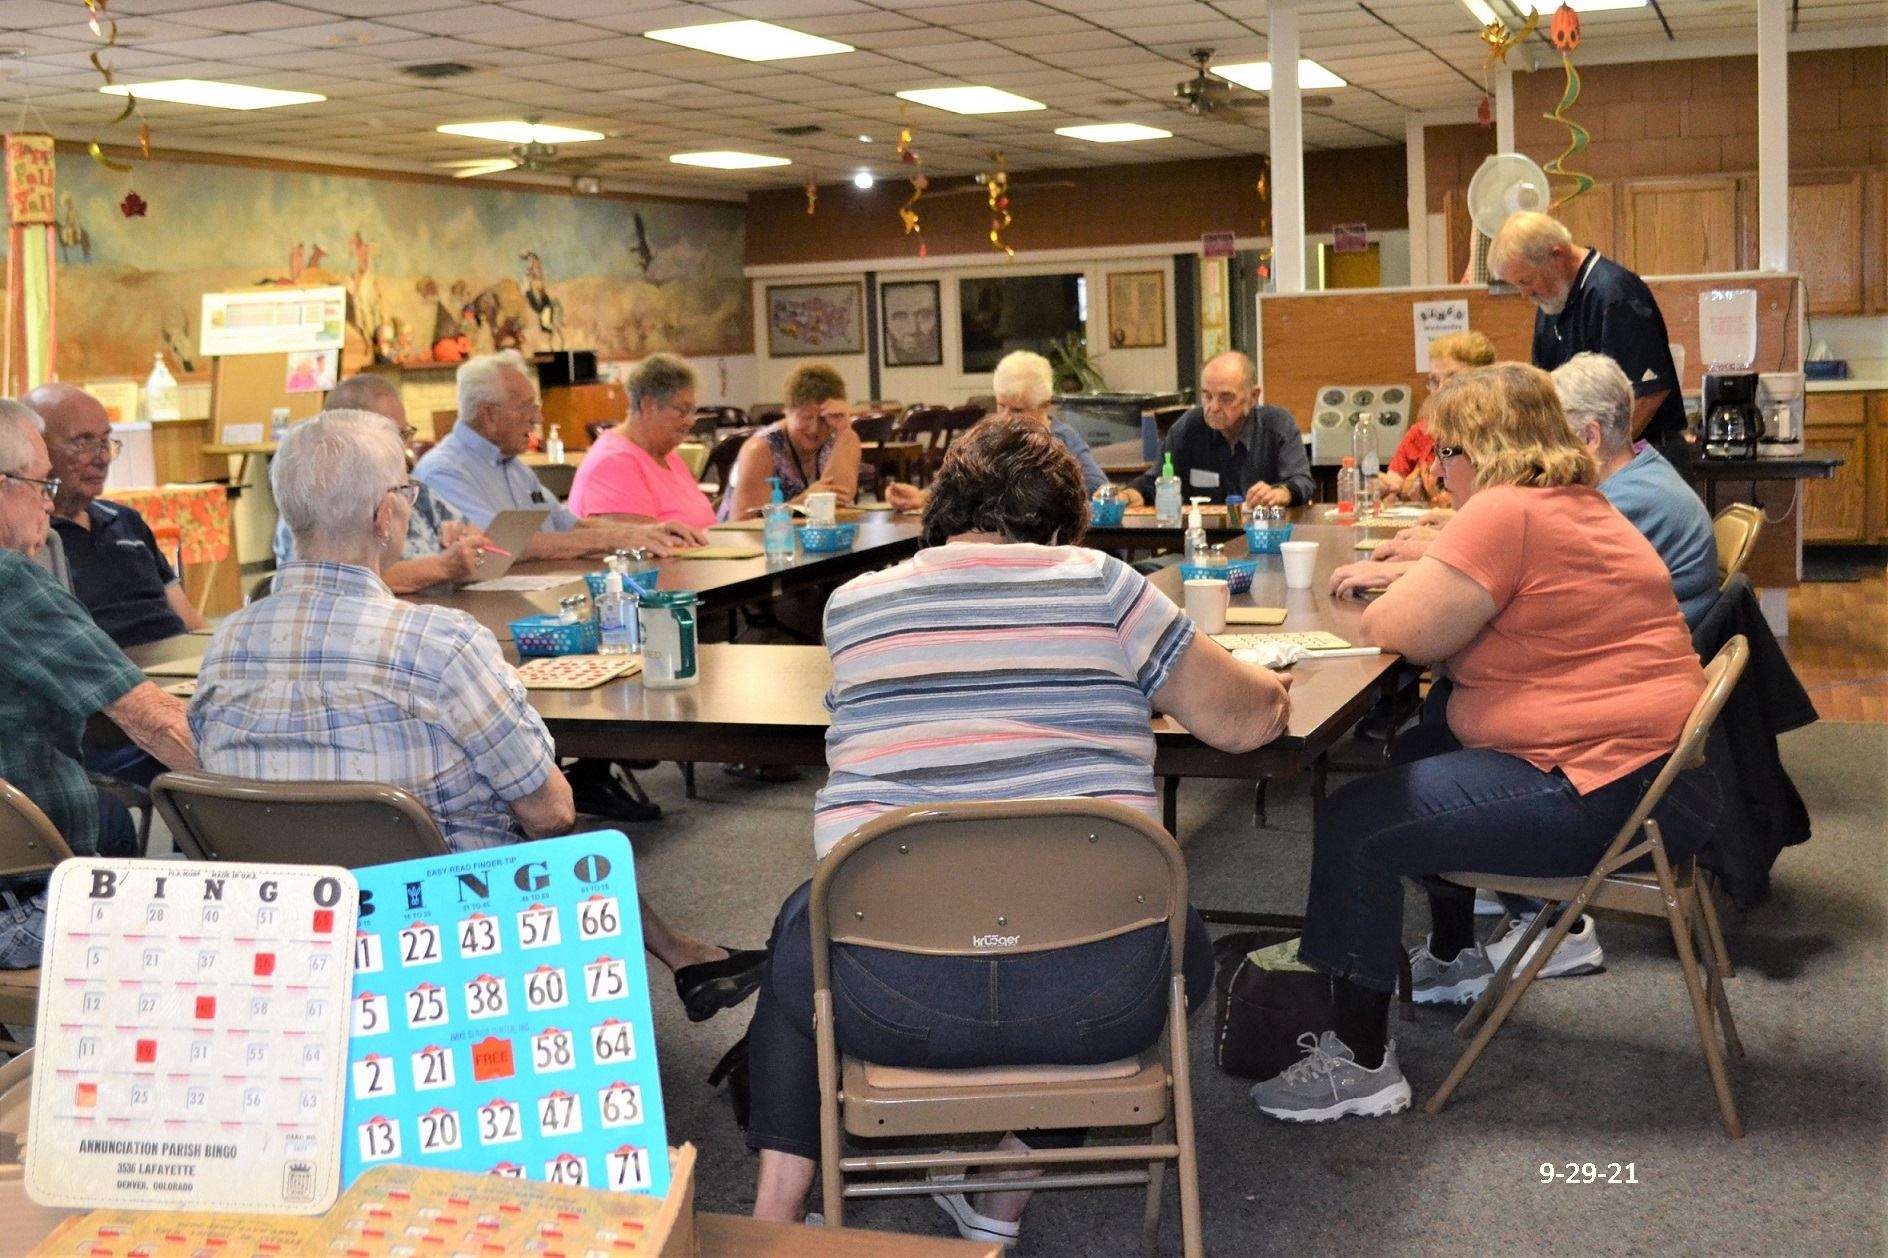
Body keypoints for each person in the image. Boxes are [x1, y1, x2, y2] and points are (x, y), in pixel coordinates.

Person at [747, 417, 1294, 1240]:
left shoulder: (853, 605)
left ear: (945, 507)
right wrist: (1268, 687)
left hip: (887, 994)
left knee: (806, 930)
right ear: (1065, 519)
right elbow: (1245, 723)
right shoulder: (1108, 587)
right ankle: (1003, 1196)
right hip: (1101, 996)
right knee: (1155, 921)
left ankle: (772, 1226)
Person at [1250, 364, 1724, 1123]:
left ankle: (1362, 1064)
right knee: (1420, 749)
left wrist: (1409, 577)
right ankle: (1452, 957)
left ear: (1484, 449)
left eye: (1446, 454)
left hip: (1603, 791)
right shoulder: (1570, 501)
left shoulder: (1507, 511)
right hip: (1656, 778)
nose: (1439, 472)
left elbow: (1394, 630)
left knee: (1357, 823)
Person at [192, 411, 763, 1018]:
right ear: (383, 517)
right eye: (406, 494)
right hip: (448, 939)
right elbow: (550, 812)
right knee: (572, 834)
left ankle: (688, 958)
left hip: (289, 933)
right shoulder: (440, 644)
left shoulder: (224, 646)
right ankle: (683, 961)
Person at [0, 399, 199, 968]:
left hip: (29, 885)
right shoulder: (12, 583)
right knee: (224, 897)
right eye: (42, 486)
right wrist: (279, 790)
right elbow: (157, 724)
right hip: (31, 905)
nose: (48, 502)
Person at [1329, 354, 1720, 622]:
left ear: (1588, 437)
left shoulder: (1626, 499)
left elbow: (1513, 573)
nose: (1533, 447)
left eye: (1548, 432)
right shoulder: (1635, 475)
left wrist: (1408, 567)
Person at [414, 351, 708, 557]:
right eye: (527, 407)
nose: (538, 419)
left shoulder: (514, 468)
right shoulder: (445, 472)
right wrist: (617, 539)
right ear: (489, 415)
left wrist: (645, 533)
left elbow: (568, 524)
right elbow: (501, 546)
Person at [1489, 211, 1693, 477]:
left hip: (1641, 463)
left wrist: (1590, 465)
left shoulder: (1614, 295)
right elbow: (1545, 393)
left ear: (1557, 254)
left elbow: (1650, 393)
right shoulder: (1551, 304)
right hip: (1596, 459)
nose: (1525, 293)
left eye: (1527, 281)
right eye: (1517, 285)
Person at [26, 382, 205, 650]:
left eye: (105, 441)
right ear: (38, 449)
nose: (102, 458)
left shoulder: (125, 520)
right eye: (83, 442)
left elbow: (189, 620)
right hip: (112, 676)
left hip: (176, 662)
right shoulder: (32, 536)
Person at [274, 374, 493, 594]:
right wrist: (444, 566)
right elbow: (334, 582)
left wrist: (463, 539)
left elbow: (482, 541)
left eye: (405, 433)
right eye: (392, 435)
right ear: (342, 437)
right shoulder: (309, 504)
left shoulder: (414, 491)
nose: (403, 445)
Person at [1554, 353, 1719, 625]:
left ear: (1590, 437)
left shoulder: (1622, 501)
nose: (1552, 451)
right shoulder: (1644, 469)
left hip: (1661, 643)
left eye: (1559, 436)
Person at [883, 350, 1107, 512]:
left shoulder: (1063, 438)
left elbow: (1099, 488)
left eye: (1017, 410)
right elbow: (957, 482)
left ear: (1044, 406)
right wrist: (921, 496)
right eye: (1001, 406)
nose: (1006, 418)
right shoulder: (988, 435)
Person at [1123, 351, 1313, 510]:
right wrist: (1131, 494)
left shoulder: (1277, 424)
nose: (1213, 407)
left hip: (1264, 539)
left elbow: (1302, 482)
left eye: (1226, 398)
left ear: (1253, 396)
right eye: (1207, 396)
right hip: (1203, 543)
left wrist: (1281, 493)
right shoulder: (1188, 427)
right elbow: (1156, 482)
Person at [567, 353, 717, 529]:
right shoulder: (614, 464)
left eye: (692, 411)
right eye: (682, 410)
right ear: (648, 405)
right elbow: (640, 547)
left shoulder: (669, 457)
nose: (690, 421)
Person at [720, 363, 861, 521]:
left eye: (823, 419)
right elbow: (742, 523)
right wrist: (801, 503)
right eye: (806, 417)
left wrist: (845, 432)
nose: (814, 429)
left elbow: (839, 502)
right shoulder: (760, 449)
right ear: (786, 412)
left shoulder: (842, 438)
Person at [1377, 330, 1496, 506]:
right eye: (1434, 381)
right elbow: (1393, 482)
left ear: (1485, 380)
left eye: (1453, 379)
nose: (1440, 390)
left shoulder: (1500, 434)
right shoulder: (1422, 431)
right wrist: (1382, 486)